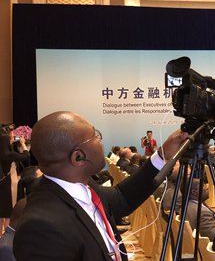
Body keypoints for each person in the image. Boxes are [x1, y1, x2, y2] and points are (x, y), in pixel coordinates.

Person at [13, 111, 187, 260]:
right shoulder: (41, 229)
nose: (100, 141)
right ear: (78, 157)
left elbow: (121, 198)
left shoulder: (81, 185)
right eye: (95, 136)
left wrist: (163, 154)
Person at [0, 134, 30, 231]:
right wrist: (22, 143)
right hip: (6, 184)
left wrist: (10, 142)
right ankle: (5, 237)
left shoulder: (4, 153)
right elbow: (26, 155)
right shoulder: (9, 155)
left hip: (1, 182)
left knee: (0, 213)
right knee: (7, 212)